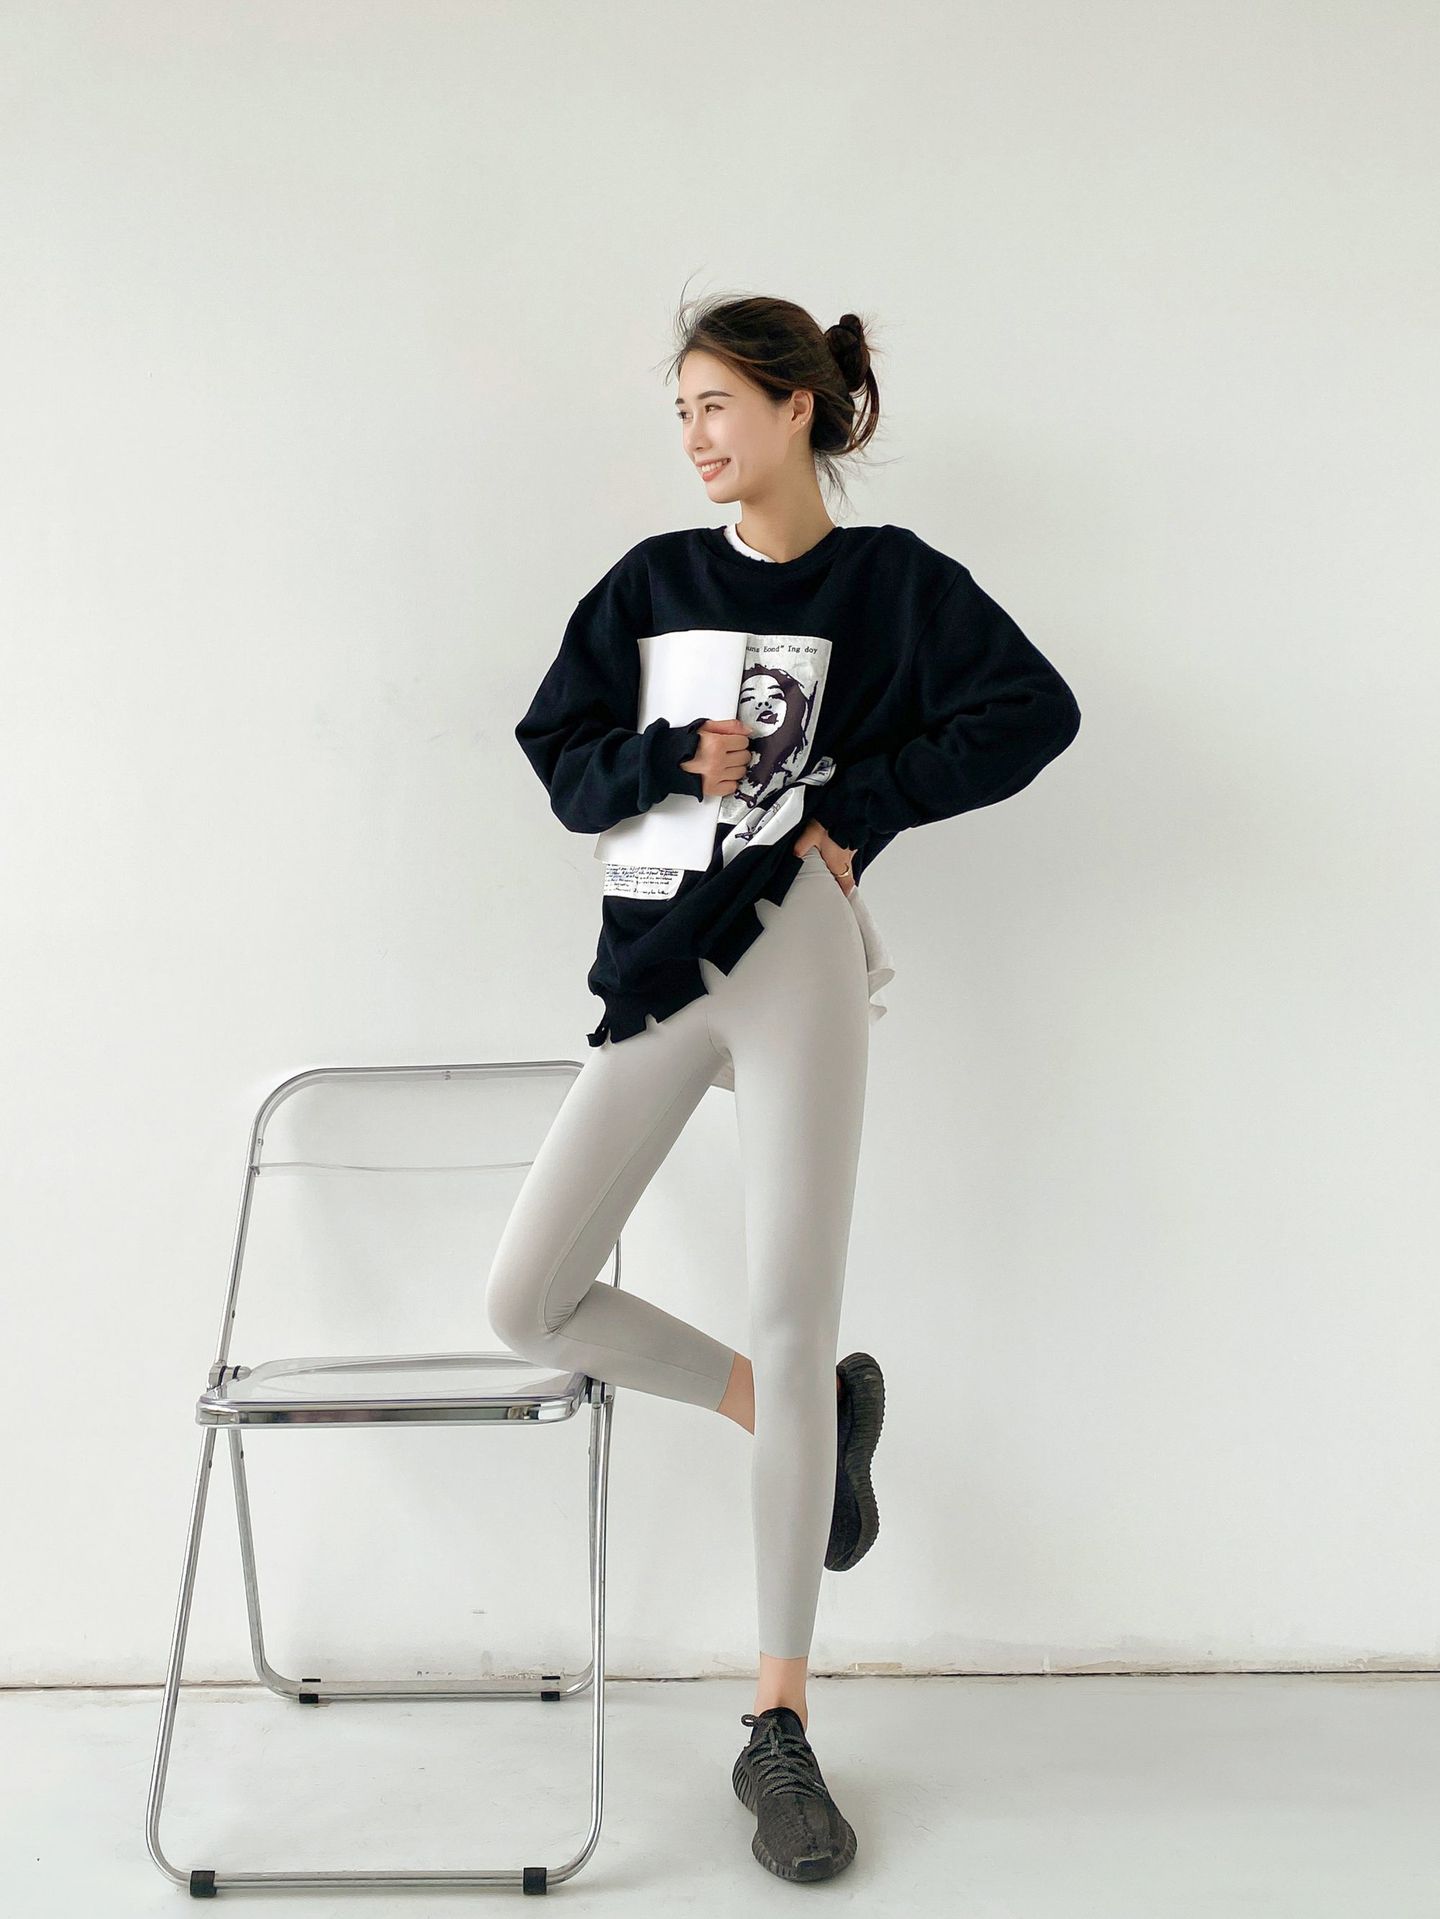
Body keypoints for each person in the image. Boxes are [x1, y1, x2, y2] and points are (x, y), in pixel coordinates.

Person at [489, 291, 1082, 1884]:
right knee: (527, 1299)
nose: (694, 436)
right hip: (656, 961)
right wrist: (668, 761)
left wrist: (859, 806)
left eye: (715, 404)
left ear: (796, 407)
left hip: (799, 951)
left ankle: (779, 1723)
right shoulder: (652, 583)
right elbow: (559, 761)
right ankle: (794, 1418)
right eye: (680, 410)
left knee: (794, 1310)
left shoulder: (892, 583)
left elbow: (1033, 713)